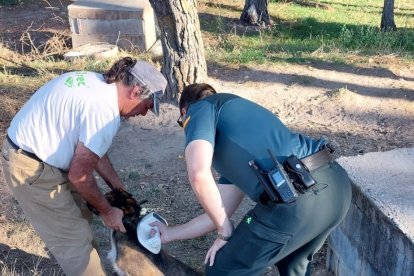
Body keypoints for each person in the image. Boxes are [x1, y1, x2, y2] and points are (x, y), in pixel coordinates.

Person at [153, 83, 352, 275]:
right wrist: (170, 233)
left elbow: (198, 174)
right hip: (336, 188)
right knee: (292, 265)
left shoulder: (201, 108)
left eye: (183, 123)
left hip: (297, 200)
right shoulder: (237, 130)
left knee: (222, 269)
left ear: (184, 112)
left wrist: (225, 231)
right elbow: (218, 212)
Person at [1, 57, 167, 276]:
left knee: (81, 219)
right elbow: (79, 175)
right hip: (32, 167)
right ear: (136, 92)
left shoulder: (99, 85)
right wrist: (108, 212)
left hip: (45, 157)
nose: (144, 113)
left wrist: (121, 191)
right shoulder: (103, 110)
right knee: (74, 241)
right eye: (147, 106)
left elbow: (94, 152)